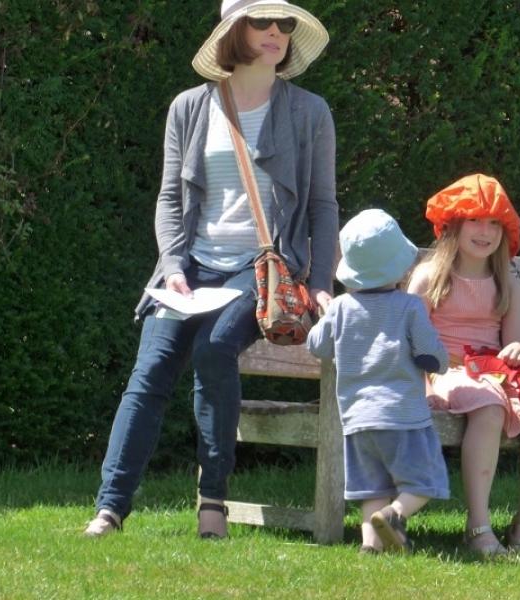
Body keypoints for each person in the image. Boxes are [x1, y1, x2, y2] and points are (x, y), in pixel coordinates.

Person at [84, 0, 337, 539]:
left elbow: (322, 206)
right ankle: (110, 508)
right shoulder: (189, 107)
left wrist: (319, 282)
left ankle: (212, 500)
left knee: (215, 349)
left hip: (262, 267)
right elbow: (170, 199)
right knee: (149, 372)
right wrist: (173, 264)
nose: (276, 32)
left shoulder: (309, 111)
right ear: (233, 32)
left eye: (285, 24)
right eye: (263, 22)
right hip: (191, 267)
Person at [407, 174, 520, 556]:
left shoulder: (507, 283)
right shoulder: (429, 277)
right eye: (476, 220)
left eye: (495, 223)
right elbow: (407, 339)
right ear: (454, 225)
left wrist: (515, 351)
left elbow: (515, 343)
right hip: (443, 371)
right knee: (488, 407)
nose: (485, 231)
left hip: (494, 372)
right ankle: (478, 525)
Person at [306, 209, 450, 554]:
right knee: (424, 481)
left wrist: (328, 316)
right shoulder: (410, 307)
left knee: (370, 488)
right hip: (403, 415)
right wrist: (440, 364)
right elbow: (432, 355)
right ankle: (395, 514)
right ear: (402, 268)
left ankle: (371, 546)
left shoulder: (341, 307)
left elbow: (316, 346)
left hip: (357, 419)